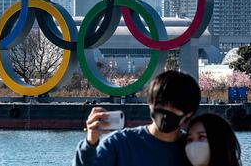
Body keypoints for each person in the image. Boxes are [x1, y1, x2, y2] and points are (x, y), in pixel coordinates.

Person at [72, 70, 201, 166]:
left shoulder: (195, 149)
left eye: (174, 106)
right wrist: (90, 143)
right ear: (150, 104)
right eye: (161, 104)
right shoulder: (118, 144)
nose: (166, 111)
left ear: (189, 113)